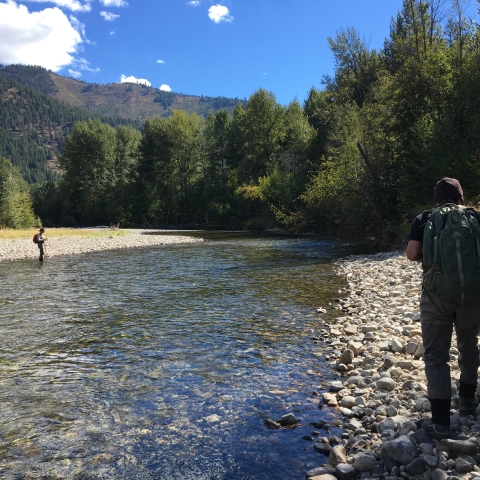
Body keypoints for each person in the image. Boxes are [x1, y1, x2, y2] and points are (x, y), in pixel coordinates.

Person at [406, 177, 480, 439]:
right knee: (469, 345)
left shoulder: (425, 219)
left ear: (436, 198)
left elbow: (412, 254)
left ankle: (441, 422)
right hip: (472, 293)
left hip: (436, 294)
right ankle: (468, 402)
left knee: (436, 355)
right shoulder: (475, 217)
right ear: (461, 198)